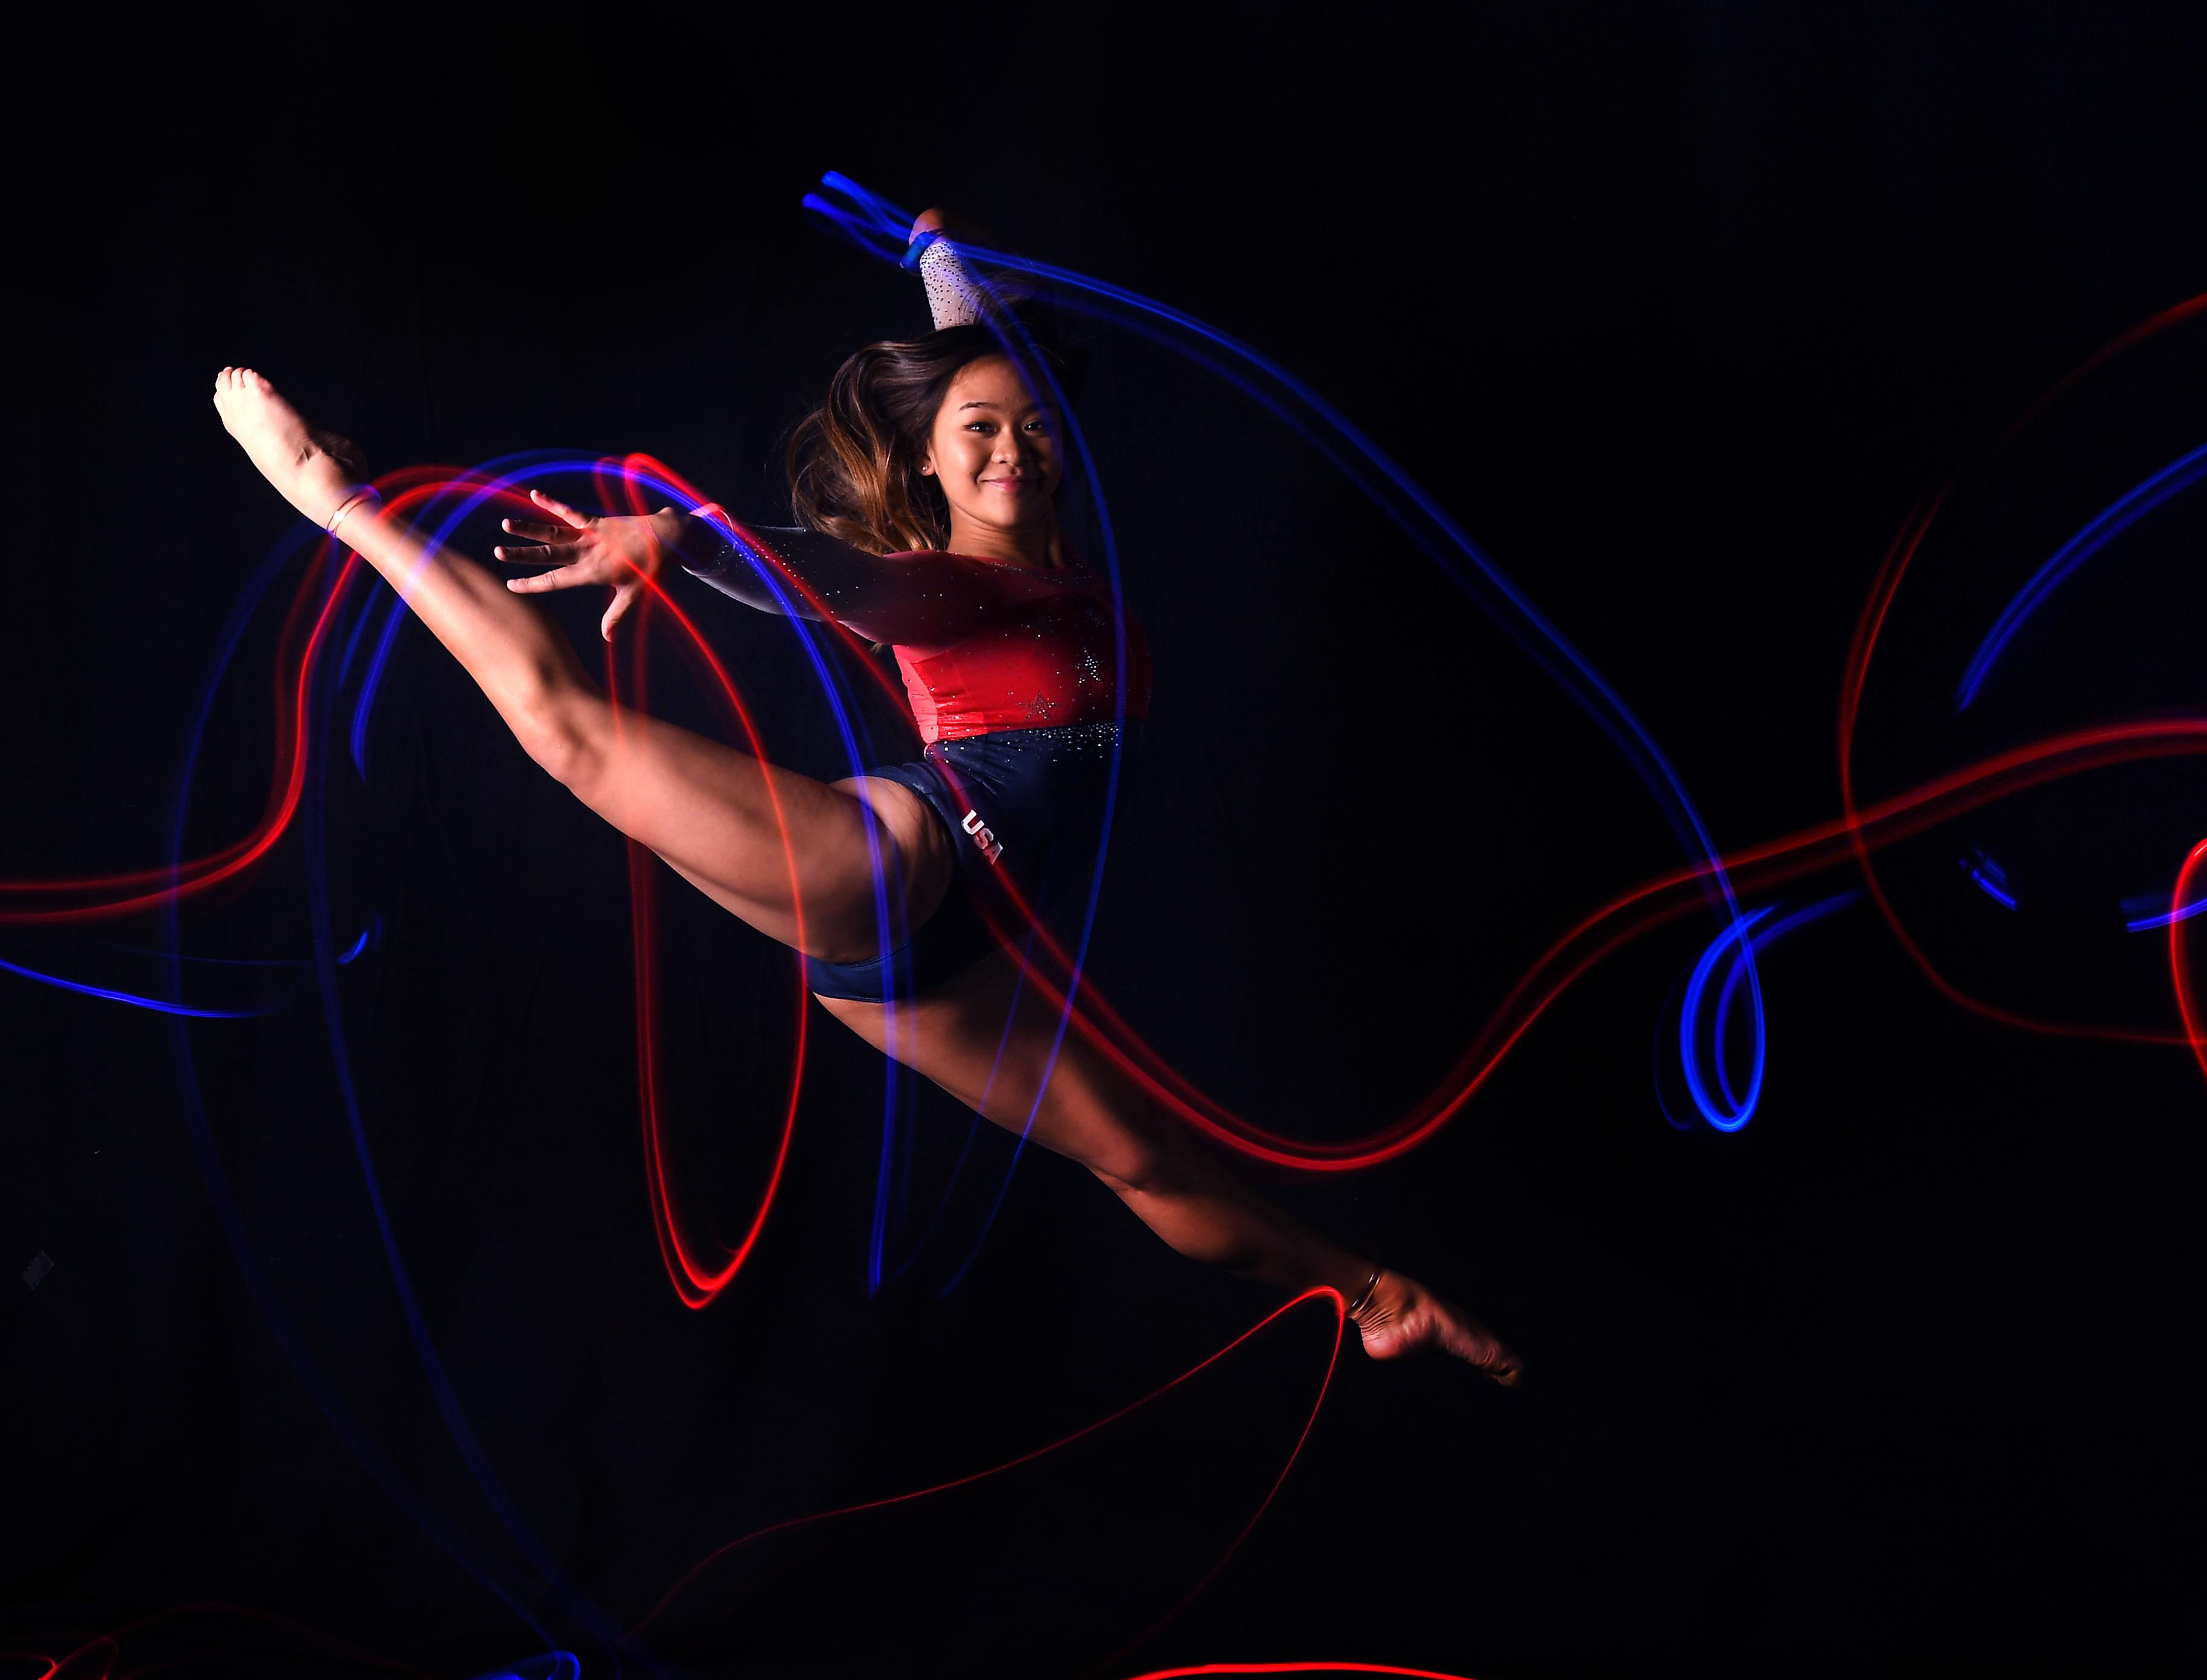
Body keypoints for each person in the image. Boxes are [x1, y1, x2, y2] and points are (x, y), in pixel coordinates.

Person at [209, 211, 1520, 1386]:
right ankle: (339, 498)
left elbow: (1008, 387)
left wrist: (941, 266)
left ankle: (1372, 1296)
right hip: (908, 855)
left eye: (1033, 433)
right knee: (575, 739)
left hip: (942, 964)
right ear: (931, 467)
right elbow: (853, 583)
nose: (1011, 451)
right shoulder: (955, 585)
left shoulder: (1063, 556)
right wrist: (683, 539)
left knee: (1139, 1160)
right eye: (976, 436)